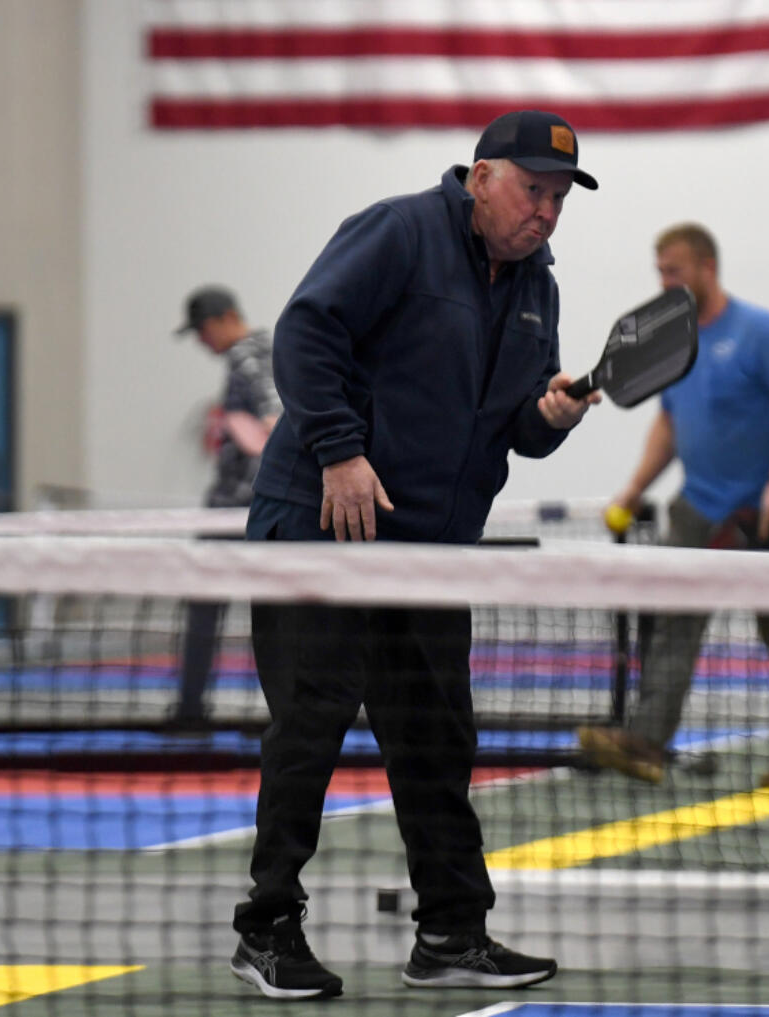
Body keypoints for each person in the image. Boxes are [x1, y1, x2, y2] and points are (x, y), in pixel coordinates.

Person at [228, 110, 601, 1000]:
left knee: (437, 739)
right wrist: (339, 450)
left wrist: (545, 419)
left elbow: (512, 426)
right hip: (323, 524)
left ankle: (451, 934)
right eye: (532, 190)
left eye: (559, 198)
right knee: (309, 731)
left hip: (431, 550)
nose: (546, 212)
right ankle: (267, 927)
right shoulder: (397, 232)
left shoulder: (537, 288)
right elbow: (306, 333)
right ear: (479, 178)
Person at [578, 223, 769, 789]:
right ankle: (645, 743)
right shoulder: (673, 342)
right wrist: (633, 489)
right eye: (660, 271)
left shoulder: (760, 331)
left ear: (706, 268)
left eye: (674, 270)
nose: (665, 281)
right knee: (674, 624)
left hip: (759, 515)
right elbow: (670, 423)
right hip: (695, 508)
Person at [168, 286, 280, 730]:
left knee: (204, 606)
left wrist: (250, 434)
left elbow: (274, 419)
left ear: (226, 318)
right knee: (273, 614)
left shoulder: (246, 357)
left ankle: (190, 711)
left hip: (236, 512)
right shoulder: (271, 347)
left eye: (203, 329)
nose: (201, 340)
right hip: (257, 510)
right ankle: (284, 714)